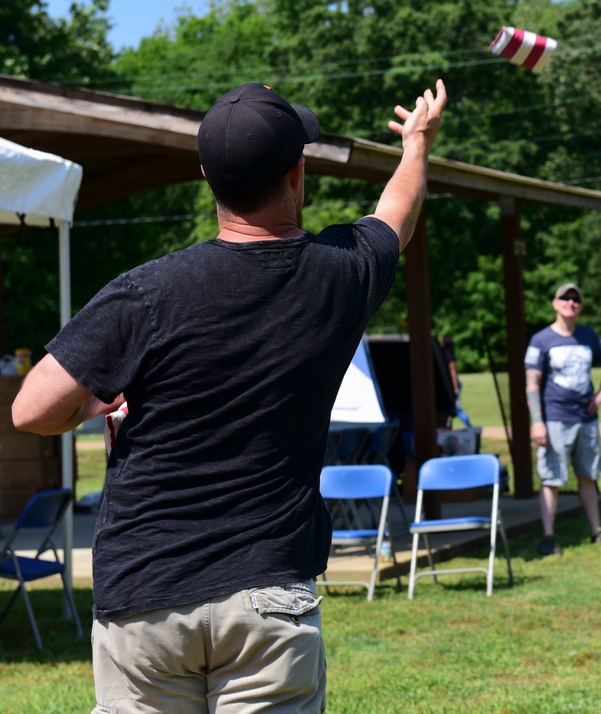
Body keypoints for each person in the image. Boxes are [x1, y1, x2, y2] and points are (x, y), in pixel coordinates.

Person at [12, 79, 447, 712]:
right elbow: (396, 217)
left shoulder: (146, 292)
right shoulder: (340, 274)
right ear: (298, 172)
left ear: (206, 177)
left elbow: (31, 409)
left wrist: (95, 405)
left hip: (144, 596)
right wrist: (416, 146)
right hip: (269, 596)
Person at [525, 282, 601, 557]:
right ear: (555, 304)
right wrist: (537, 421)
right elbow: (531, 383)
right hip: (555, 419)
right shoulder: (541, 340)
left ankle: (596, 531)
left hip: (586, 418)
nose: (570, 303)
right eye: (565, 298)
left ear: (580, 306)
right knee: (551, 478)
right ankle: (548, 537)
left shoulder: (589, 336)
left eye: (575, 299)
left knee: (588, 475)